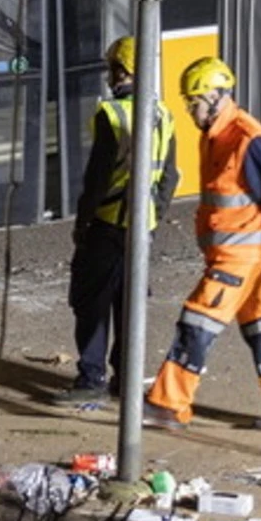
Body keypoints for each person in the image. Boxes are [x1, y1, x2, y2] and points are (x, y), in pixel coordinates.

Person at [144, 56, 261, 434]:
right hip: (237, 255)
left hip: (238, 258)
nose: (190, 110)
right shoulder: (215, 135)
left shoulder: (248, 139)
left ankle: (168, 404)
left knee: (196, 322)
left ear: (215, 96)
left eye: (194, 102)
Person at [61, 36, 178, 404]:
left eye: (112, 69)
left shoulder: (111, 115)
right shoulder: (163, 114)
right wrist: (153, 217)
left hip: (107, 226)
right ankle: (124, 380)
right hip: (141, 229)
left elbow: (97, 180)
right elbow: (170, 176)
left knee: (91, 302)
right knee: (130, 306)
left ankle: (90, 378)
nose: (109, 76)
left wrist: (82, 224)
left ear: (123, 71)